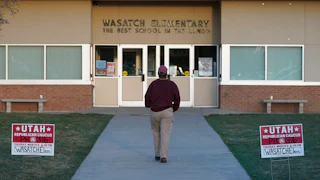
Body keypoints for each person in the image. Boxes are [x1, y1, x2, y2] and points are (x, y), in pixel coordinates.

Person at [145, 65, 180, 163]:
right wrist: (174, 108)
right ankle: (163, 156)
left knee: (156, 133)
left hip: (155, 112)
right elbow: (177, 98)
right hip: (167, 111)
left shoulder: (153, 84)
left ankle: (156, 154)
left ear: (158, 74)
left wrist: (149, 105)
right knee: (165, 134)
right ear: (166, 74)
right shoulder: (172, 84)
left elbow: (147, 97)